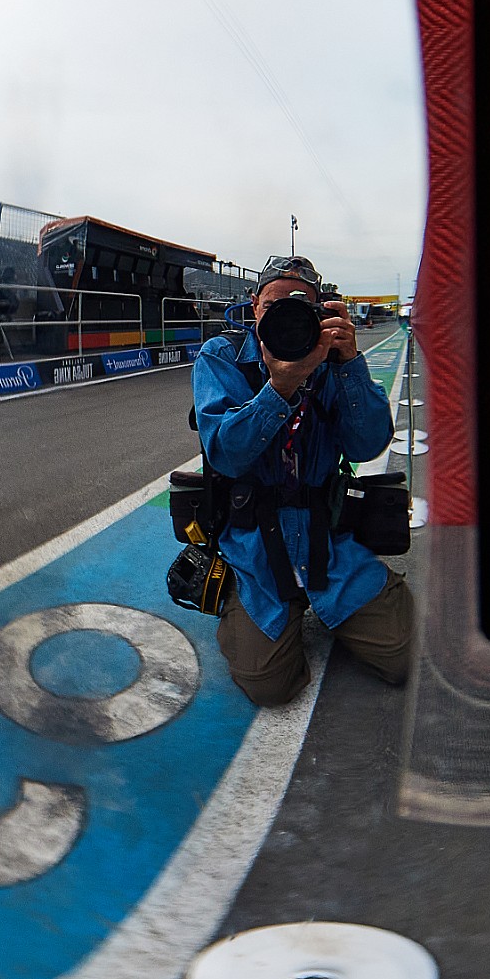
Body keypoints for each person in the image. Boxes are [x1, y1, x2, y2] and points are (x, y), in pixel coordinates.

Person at [192, 256, 412, 706]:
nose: (286, 318)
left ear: (321, 312)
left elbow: (367, 445)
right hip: (256, 543)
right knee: (270, 686)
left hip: (326, 536)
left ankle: (342, 598)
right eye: (273, 306)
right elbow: (225, 455)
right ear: (254, 306)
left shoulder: (332, 362)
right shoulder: (222, 356)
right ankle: (242, 598)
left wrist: (349, 363)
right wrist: (279, 388)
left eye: (301, 307)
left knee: (403, 655)